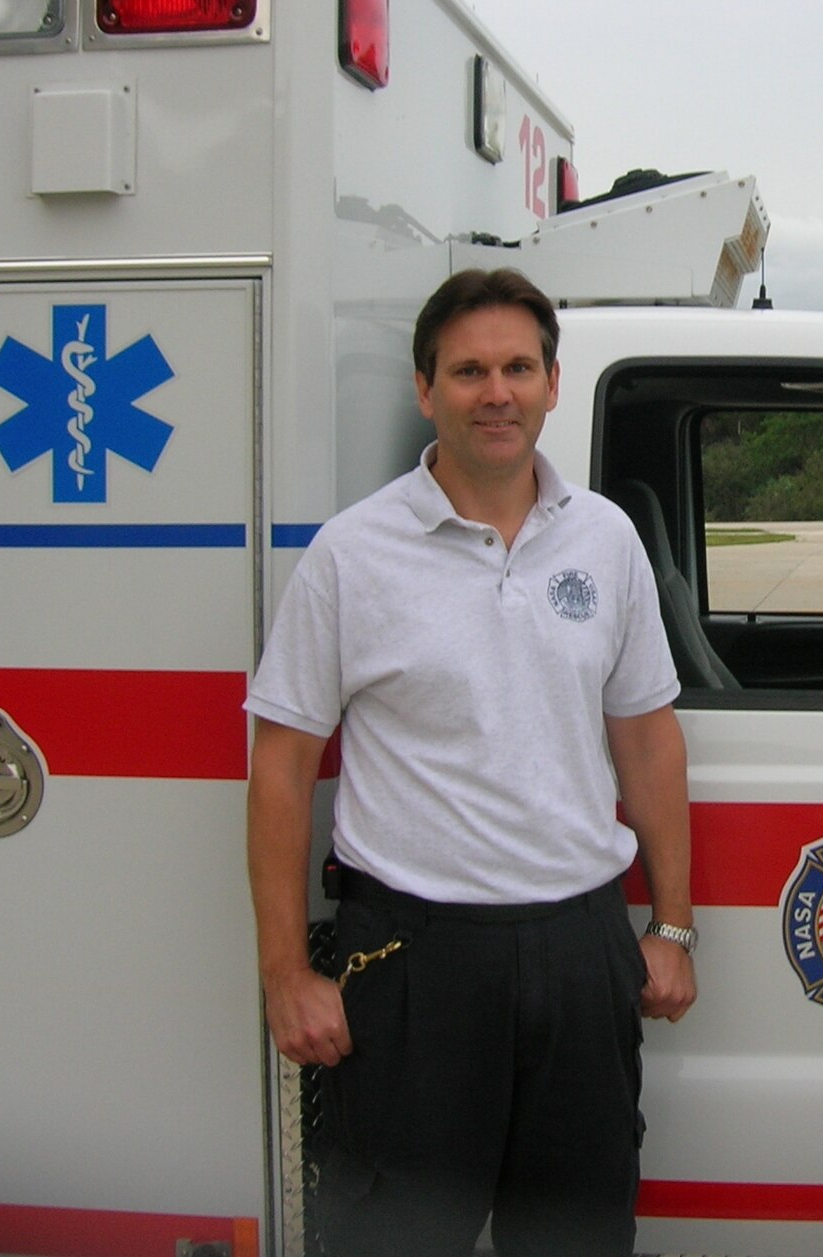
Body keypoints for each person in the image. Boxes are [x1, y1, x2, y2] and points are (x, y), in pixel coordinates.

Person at [245, 266, 696, 1257]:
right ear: (425, 390)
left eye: (516, 368)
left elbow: (645, 736)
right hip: (412, 963)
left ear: (550, 383)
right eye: (468, 371)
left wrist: (668, 926)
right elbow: (280, 767)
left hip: (582, 954)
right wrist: (285, 971)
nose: (496, 391)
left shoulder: (605, 538)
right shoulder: (352, 554)